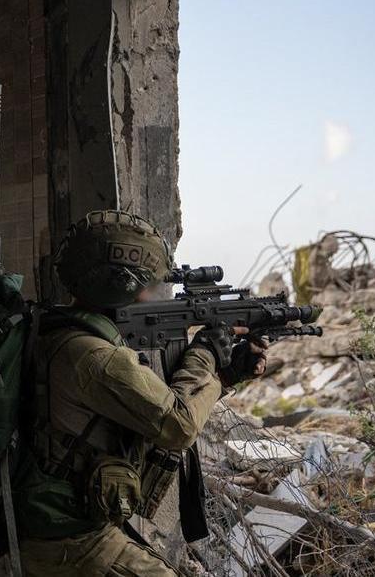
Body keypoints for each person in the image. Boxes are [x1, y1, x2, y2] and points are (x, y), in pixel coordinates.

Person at [19, 211, 268, 576]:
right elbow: (178, 426)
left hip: (57, 527)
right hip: (74, 544)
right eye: (147, 285)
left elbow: (155, 408)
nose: (150, 294)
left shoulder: (58, 332)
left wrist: (224, 375)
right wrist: (206, 354)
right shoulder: (94, 357)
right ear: (119, 285)